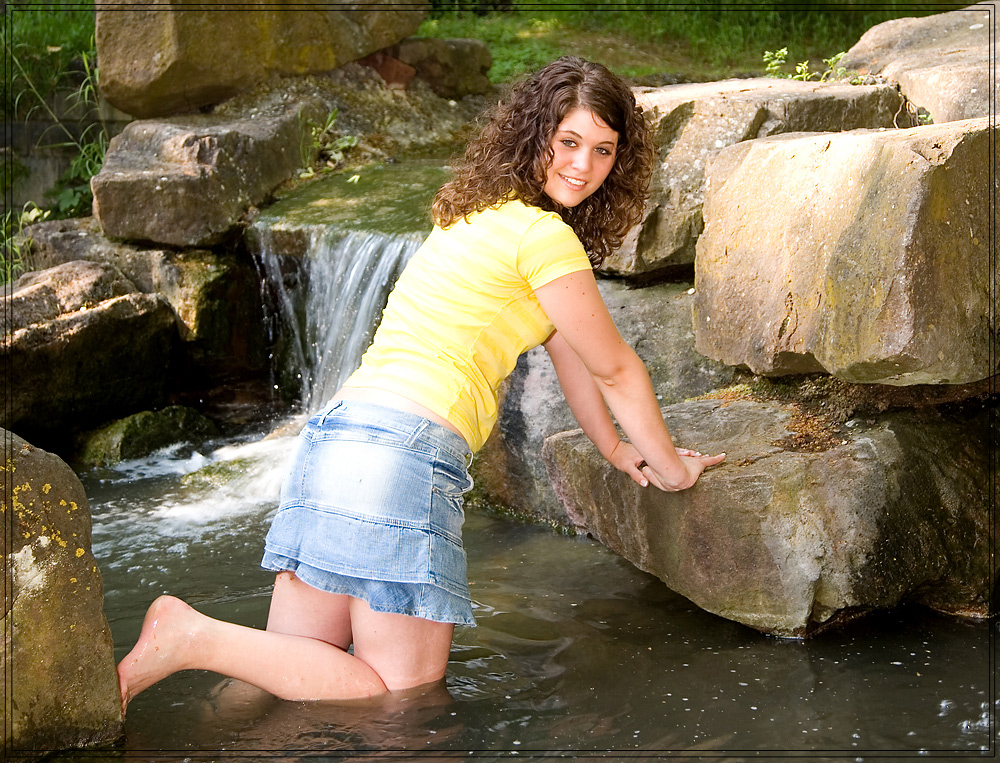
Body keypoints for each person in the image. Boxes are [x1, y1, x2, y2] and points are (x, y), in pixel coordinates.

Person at [116, 56, 725, 713]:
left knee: (274, 680)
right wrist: (672, 470)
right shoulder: (544, 237)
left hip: (335, 439)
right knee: (396, 696)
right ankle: (189, 635)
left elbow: (572, 355)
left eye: (604, 150)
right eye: (569, 141)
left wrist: (611, 448)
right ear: (534, 135)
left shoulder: (474, 213)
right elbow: (616, 367)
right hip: (404, 455)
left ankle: (181, 722)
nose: (584, 164)